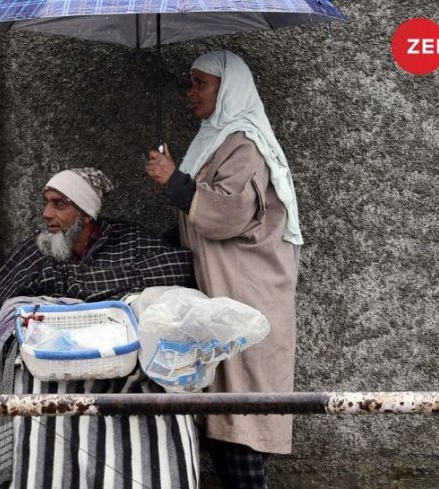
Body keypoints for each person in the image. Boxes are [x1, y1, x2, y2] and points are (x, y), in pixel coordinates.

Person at [0, 167, 200, 489]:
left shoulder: (127, 240)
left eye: (59, 204)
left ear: (86, 215)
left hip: (120, 379)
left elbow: (181, 265)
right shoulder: (34, 253)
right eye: (46, 203)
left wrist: (85, 286)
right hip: (52, 384)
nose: (47, 214)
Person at [145, 50, 303, 489]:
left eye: (201, 83)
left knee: (243, 422)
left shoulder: (244, 144)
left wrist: (176, 180)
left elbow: (229, 213)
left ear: (227, 88)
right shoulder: (215, 139)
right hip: (224, 294)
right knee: (224, 421)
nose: (190, 92)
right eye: (189, 82)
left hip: (249, 296)